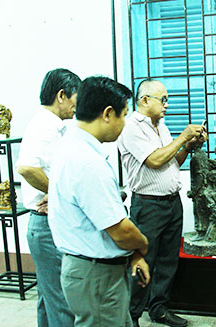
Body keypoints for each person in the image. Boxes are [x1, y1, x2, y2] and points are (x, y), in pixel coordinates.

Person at [48, 76, 150, 327]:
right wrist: (142, 246)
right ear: (107, 114)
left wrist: (133, 255)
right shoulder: (87, 162)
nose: (124, 123)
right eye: (123, 115)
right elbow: (121, 230)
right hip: (97, 275)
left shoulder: (70, 147)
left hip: (92, 269)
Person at [118, 78, 207, 327]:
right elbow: (154, 160)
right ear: (145, 100)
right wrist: (182, 137)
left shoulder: (161, 126)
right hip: (147, 206)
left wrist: (188, 146)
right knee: (143, 261)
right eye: (163, 99)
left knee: (168, 261)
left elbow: (171, 162)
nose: (167, 105)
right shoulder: (132, 128)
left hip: (171, 202)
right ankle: (132, 315)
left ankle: (158, 308)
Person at [16, 68, 81, 327]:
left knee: (49, 299)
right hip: (46, 225)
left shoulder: (55, 126)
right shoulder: (45, 125)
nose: (77, 105)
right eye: (76, 97)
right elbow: (27, 167)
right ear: (62, 95)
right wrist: (58, 195)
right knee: (62, 304)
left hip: (47, 224)